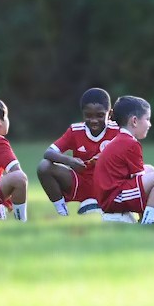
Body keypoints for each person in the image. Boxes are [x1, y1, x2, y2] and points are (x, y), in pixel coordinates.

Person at [37, 87, 119, 217]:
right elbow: (48, 152)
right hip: (80, 183)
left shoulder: (118, 131)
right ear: (83, 114)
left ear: (110, 113)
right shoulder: (76, 130)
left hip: (108, 185)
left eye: (100, 115)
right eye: (88, 115)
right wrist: (70, 161)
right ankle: (62, 212)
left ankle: (126, 212)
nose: (94, 120)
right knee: (44, 166)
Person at [93, 95, 154, 225]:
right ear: (134, 121)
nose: (149, 124)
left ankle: (143, 219)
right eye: (147, 119)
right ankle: (148, 222)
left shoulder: (121, 139)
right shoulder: (130, 144)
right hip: (114, 199)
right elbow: (140, 182)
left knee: (150, 170)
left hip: (109, 196)